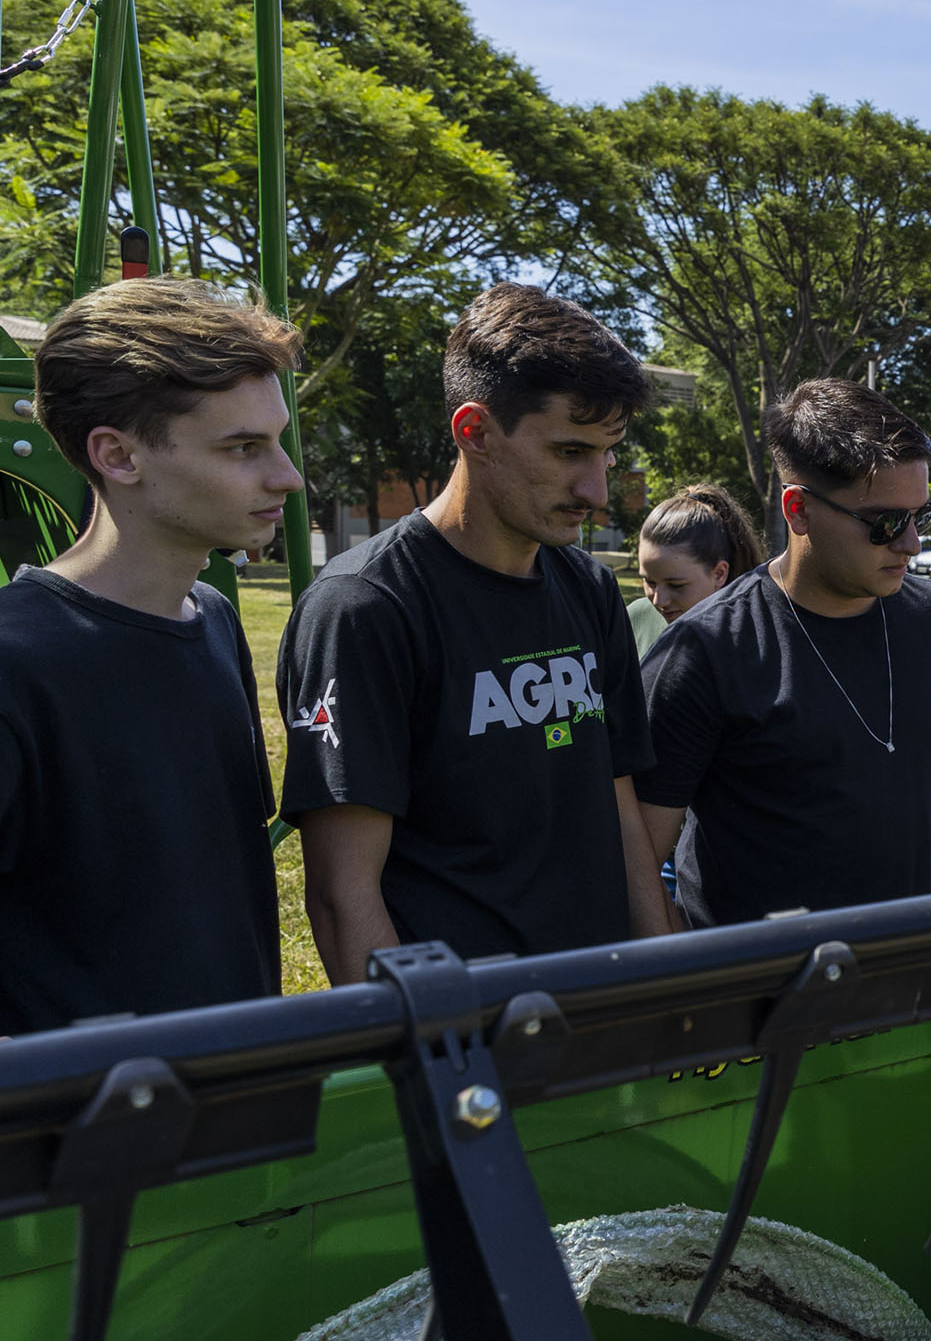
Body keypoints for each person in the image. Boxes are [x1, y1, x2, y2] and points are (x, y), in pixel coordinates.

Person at [0, 279, 302, 1047]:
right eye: (243, 448)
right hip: (83, 1155)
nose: (287, 476)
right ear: (117, 455)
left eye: (277, 441)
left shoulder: (211, 620)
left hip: (243, 1131)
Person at [281, 283, 670, 978]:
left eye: (607, 454)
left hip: (600, 1012)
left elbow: (621, 810)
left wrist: (664, 984)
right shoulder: (364, 606)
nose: (597, 491)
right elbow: (343, 894)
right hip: (466, 1032)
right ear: (475, 432)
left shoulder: (589, 587)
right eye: (568, 451)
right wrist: (428, 1059)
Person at [636, 381, 931, 922]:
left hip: (919, 989)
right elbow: (634, 860)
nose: (912, 542)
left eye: (922, 515)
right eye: (886, 523)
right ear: (798, 511)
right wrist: (684, 986)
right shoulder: (703, 649)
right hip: (765, 997)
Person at [629, 483, 764, 656]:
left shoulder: (756, 636)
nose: (659, 601)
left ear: (719, 573)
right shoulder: (635, 618)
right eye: (650, 582)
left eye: (675, 585)